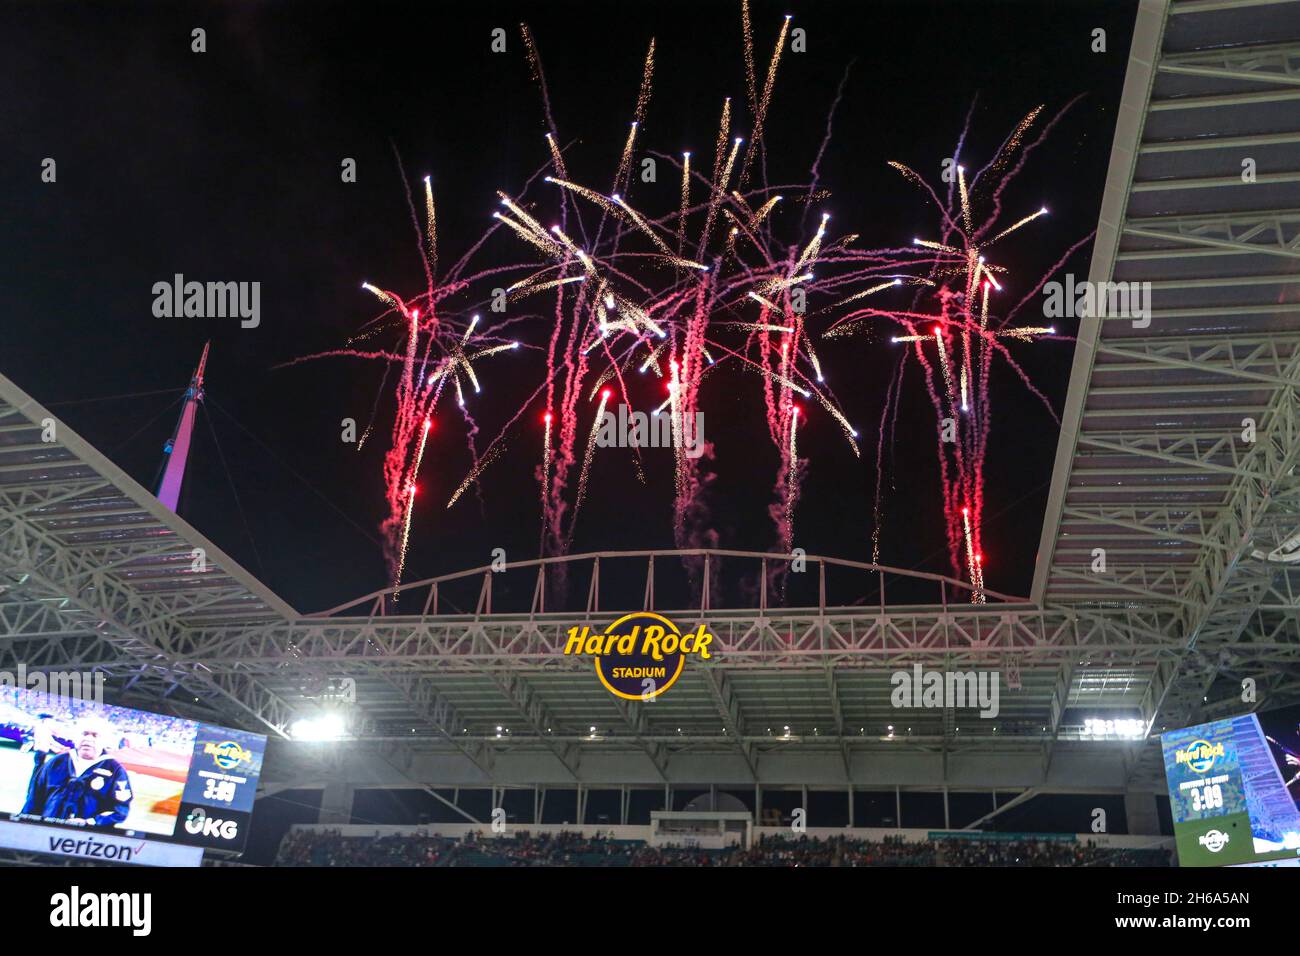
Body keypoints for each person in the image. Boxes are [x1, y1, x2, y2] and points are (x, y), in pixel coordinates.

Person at [21, 715, 133, 827]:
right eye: (84, 734)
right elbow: (34, 798)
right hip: (46, 830)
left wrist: (90, 823)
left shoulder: (115, 770)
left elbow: (120, 810)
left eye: (95, 735)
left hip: (84, 838)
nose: (88, 739)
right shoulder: (55, 762)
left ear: (105, 740)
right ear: (75, 737)